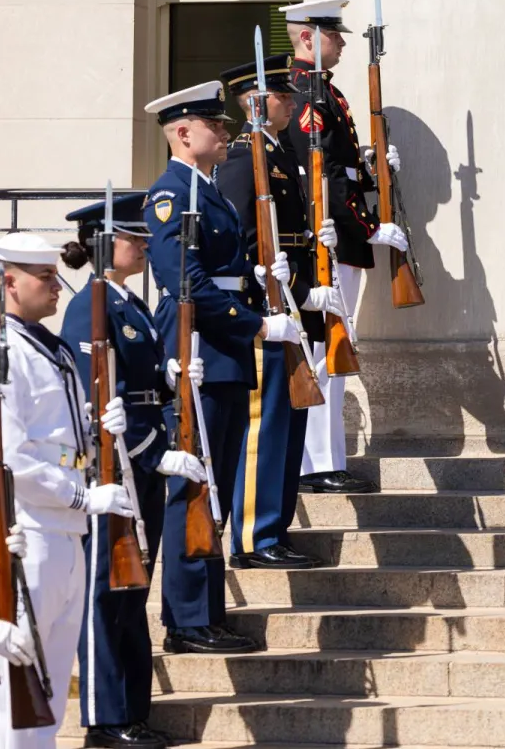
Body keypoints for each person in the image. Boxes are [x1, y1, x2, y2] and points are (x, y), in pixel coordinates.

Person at [145, 81, 304, 654]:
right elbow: (183, 282)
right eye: (214, 125)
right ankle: (187, 620)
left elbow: (218, 271)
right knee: (196, 485)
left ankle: (206, 614)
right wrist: (256, 324)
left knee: (217, 487)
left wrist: (259, 286)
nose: (225, 132)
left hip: (224, 352)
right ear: (183, 134)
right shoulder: (172, 195)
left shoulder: (205, 189)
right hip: (202, 354)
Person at [58, 195, 208, 749]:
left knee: (130, 589)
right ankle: (103, 718)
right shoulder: (89, 308)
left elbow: (140, 385)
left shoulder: (132, 304)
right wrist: (150, 454)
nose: (144, 245)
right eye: (132, 238)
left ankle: (132, 711)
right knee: (105, 591)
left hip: (143, 456)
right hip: (113, 466)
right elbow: (97, 401)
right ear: (104, 243)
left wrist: (174, 378)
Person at [0, 232, 125, 748]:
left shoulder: (50, 349)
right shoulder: (8, 354)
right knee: (17, 700)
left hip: (69, 533)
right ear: (10, 282)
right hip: (32, 534)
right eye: (44, 277)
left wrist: (104, 429)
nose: (57, 286)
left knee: (48, 698)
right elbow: (11, 457)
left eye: (55, 274)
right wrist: (79, 497)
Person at [217, 60, 345, 569]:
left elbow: (288, 236)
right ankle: (253, 535)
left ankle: (277, 526)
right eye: (282, 95)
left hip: (292, 307)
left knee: (289, 424)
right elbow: (247, 247)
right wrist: (293, 291)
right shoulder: (241, 159)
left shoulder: (281, 154)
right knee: (265, 426)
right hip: (266, 310)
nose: (293, 102)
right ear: (254, 101)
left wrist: (317, 265)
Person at [277, 0, 391, 496]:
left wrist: (372, 167)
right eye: (332, 34)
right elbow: (319, 180)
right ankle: (316, 465)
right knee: (325, 354)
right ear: (307, 38)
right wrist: (367, 226)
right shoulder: (305, 95)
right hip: (328, 237)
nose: (341, 41)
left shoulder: (320, 91)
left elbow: (340, 169)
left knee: (332, 352)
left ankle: (322, 461)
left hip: (338, 234)